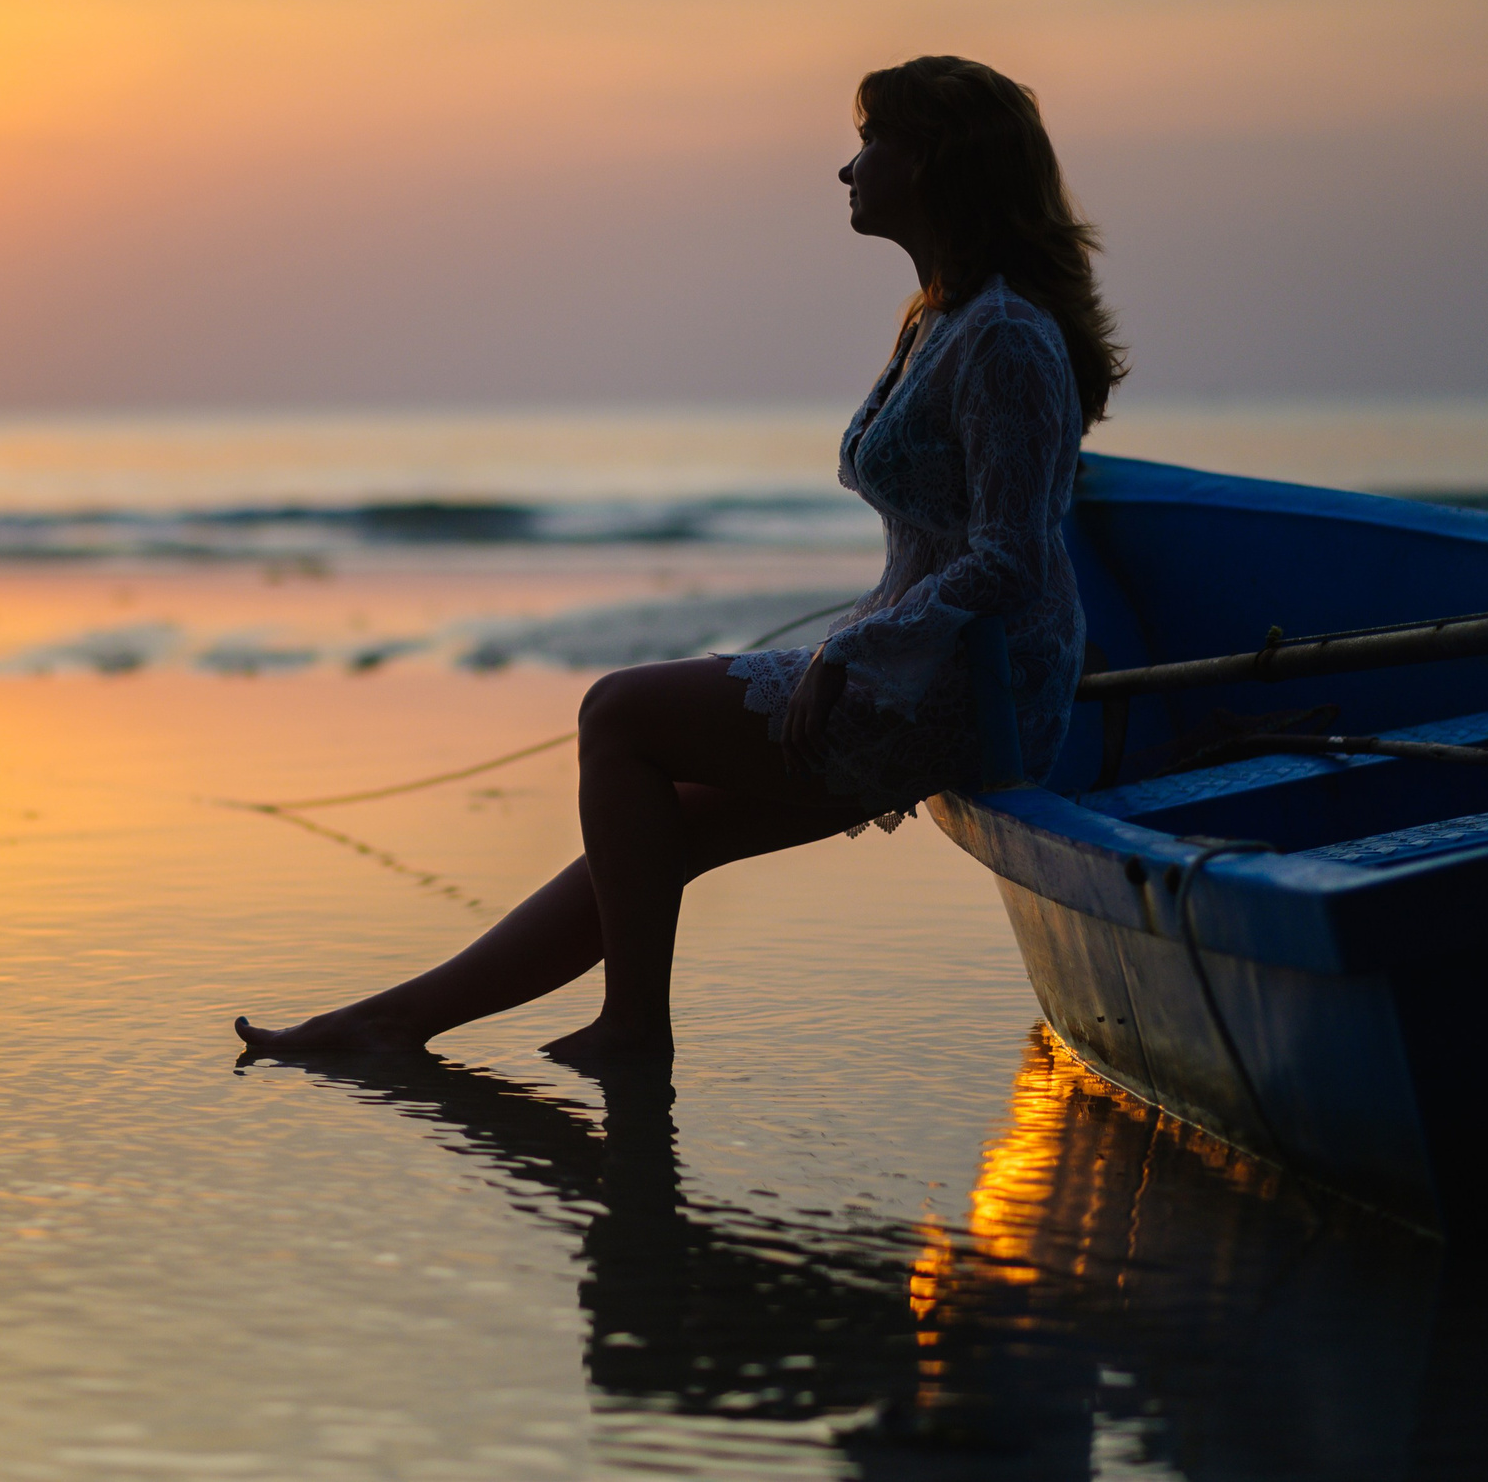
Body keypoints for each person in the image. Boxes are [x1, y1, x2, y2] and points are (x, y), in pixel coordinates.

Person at [236, 55, 1126, 1062]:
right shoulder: (941, 319)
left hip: (968, 691)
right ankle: (394, 1019)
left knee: (618, 713)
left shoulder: (1003, 334)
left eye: (873, 139)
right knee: (668, 830)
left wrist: (849, 652)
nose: (848, 167)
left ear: (935, 163)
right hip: (916, 663)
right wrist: (866, 639)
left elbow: (1008, 558)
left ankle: (633, 1026)